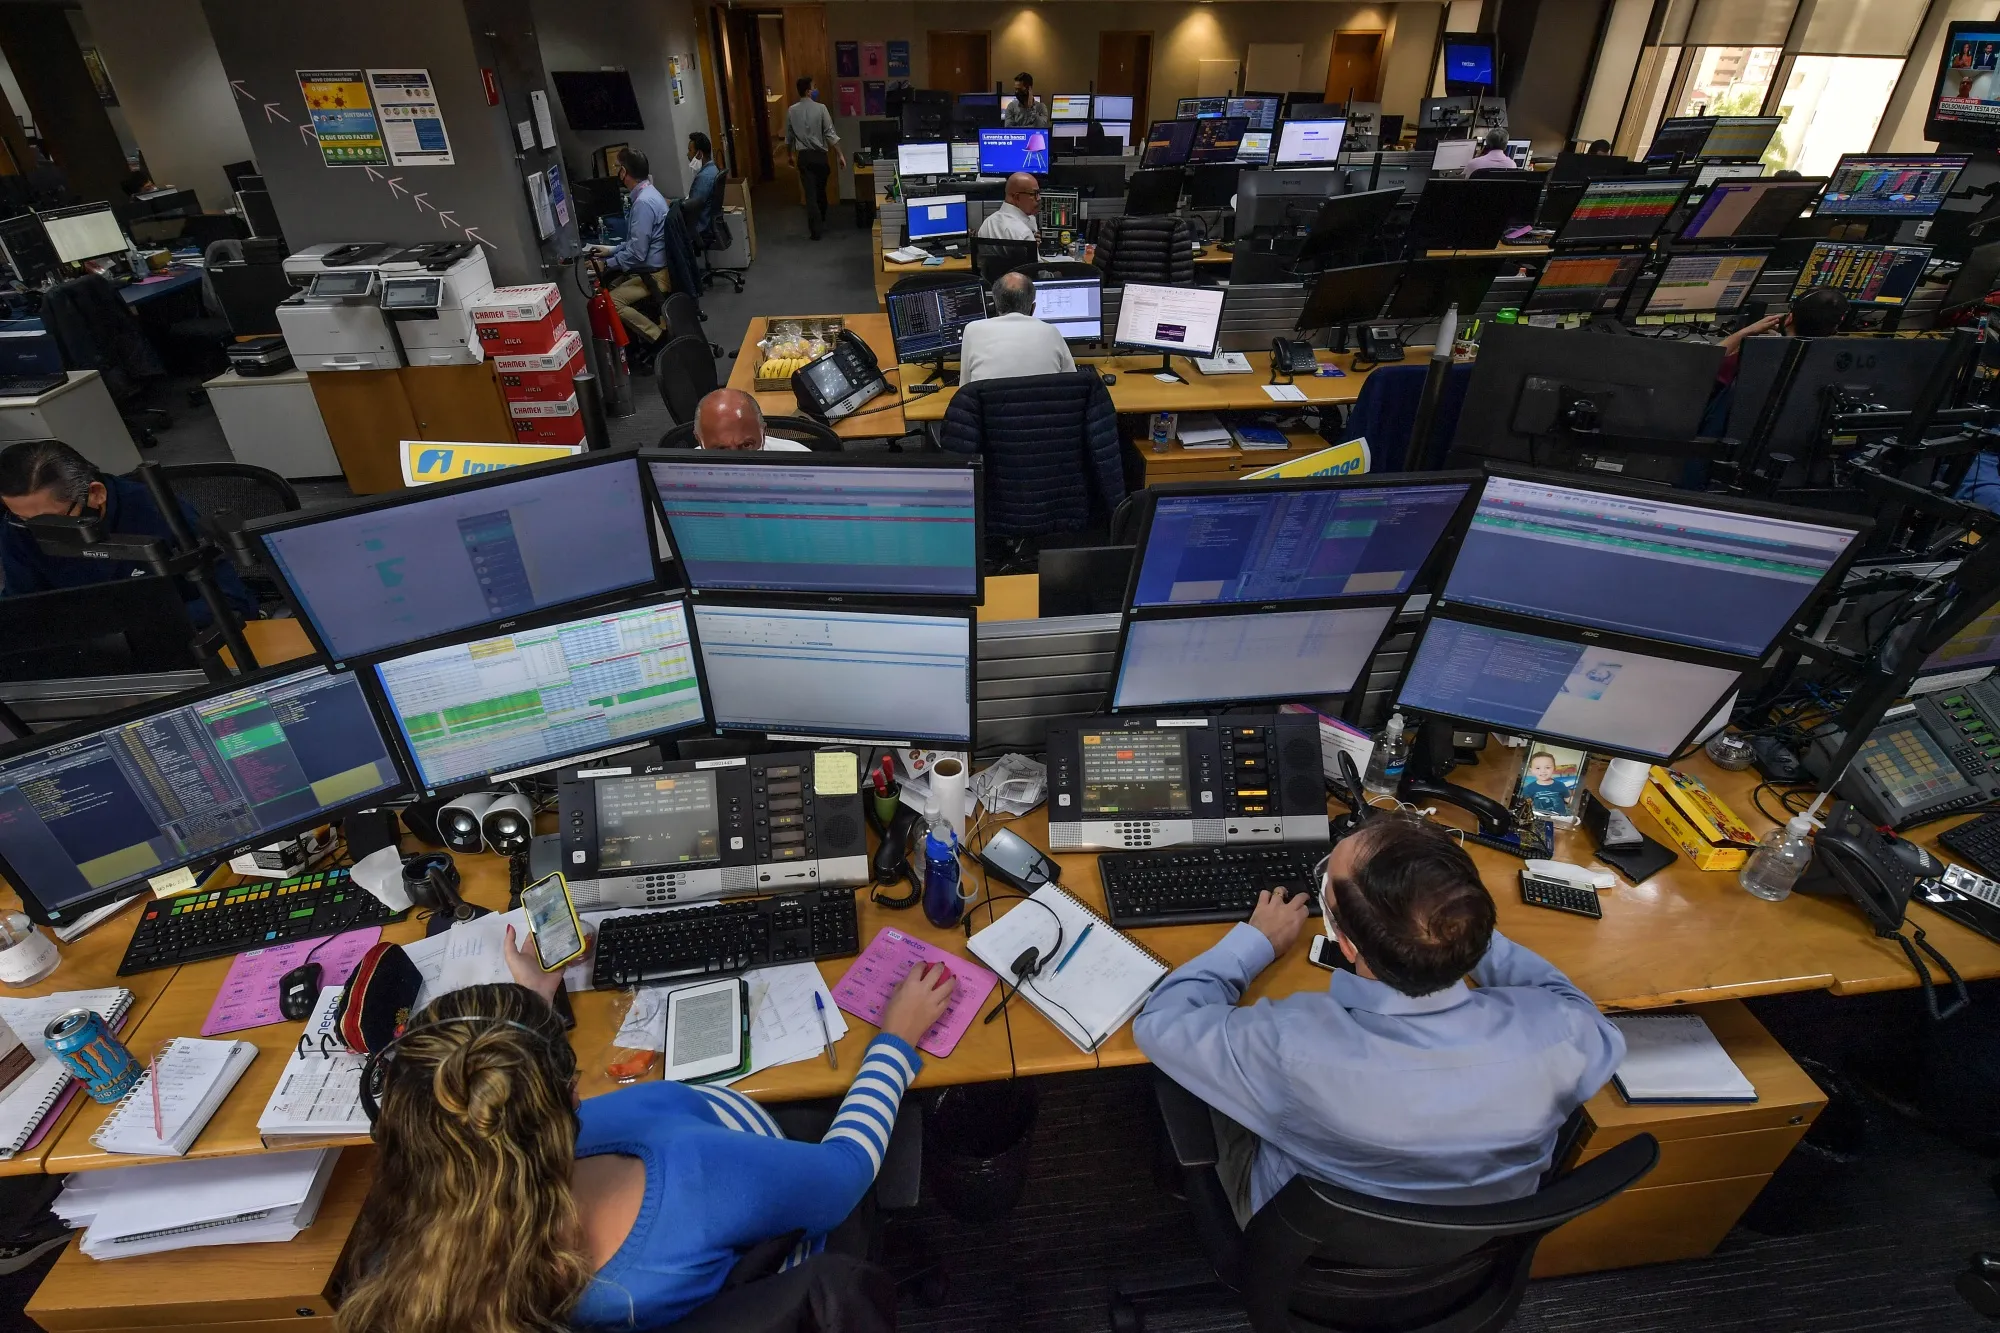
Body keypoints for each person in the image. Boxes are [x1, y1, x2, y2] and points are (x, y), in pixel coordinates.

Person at [333, 930, 957, 1333]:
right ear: (569, 1096)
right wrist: (895, 1042)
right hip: (781, 1189)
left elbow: (493, 1103)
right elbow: (844, 1174)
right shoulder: (698, 1182)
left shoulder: (427, 1229)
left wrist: (536, 1005)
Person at [1133, 816, 1624, 1225]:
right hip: (1477, 1247)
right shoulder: (1565, 1034)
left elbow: (1160, 1022)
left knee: (1189, 1085)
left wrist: (1255, 942)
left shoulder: (1289, 1047)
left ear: (1346, 944)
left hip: (1303, 1248)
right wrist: (1452, 930)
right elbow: (1564, 998)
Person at [0, 439, 255, 627]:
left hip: (179, 634)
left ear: (96, 494)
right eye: (24, 519)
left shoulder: (159, 512)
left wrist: (136, 625)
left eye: (53, 521)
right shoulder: (18, 527)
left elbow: (232, 602)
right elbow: (23, 606)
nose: (38, 531)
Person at [588, 149, 671, 353]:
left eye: (617, 167)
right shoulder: (649, 193)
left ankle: (659, 338)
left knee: (610, 301)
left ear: (624, 172)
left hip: (655, 276)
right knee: (614, 282)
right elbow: (637, 243)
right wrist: (612, 251)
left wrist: (605, 264)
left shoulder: (643, 203)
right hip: (655, 268)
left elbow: (637, 253)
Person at [960, 273, 1075, 386]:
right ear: (1033, 308)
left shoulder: (972, 330)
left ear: (995, 305)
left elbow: (965, 389)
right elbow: (1072, 384)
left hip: (990, 404)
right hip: (1041, 404)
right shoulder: (1051, 331)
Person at [785, 75, 845, 241]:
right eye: (815, 86)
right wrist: (840, 155)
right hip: (820, 157)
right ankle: (822, 219)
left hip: (804, 157)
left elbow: (789, 137)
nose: (816, 89)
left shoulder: (791, 110)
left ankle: (815, 230)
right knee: (820, 191)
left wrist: (789, 155)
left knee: (809, 195)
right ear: (808, 91)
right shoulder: (821, 108)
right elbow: (830, 134)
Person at [694, 388, 812, 452]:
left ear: (763, 434)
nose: (736, 465)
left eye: (746, 445)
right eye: (721, 449)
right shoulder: (682, 476)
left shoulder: (801, 461)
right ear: (700, 442)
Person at [977, 172, 1041, 242]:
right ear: (1017, 197)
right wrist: (1032, 246)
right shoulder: (1024, 234)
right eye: (1034, 194)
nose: (1038, 198)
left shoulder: (986, 224)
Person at [683, 132, 723, 243]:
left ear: (699, 154)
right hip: (708, 221)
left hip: (700, 226)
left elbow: (690, 207)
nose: (687, 155)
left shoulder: (703, 177)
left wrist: (673, 204)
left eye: (690, 151)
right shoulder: (713, 169)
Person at [1521, 751, 1578, 816]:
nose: (1543, 771)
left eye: (1547, 767)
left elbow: (1567, 799)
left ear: (1554, 768)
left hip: (1560, 817)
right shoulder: (1528, 788)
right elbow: (1527, 806)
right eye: (1538, 768)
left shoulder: (1560, 785)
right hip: (1541, 818)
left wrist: (1577, 802)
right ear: (1532, 770)